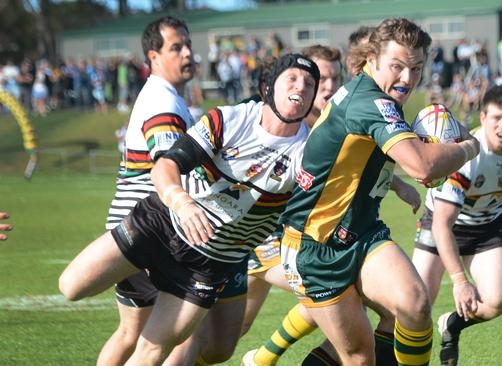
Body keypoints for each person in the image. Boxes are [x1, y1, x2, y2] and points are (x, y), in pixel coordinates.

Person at [59, 53, 320, 365]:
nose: (301, 87)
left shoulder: (309, 152)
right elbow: (165, 165)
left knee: (154, 350)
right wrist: (182, 203)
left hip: (209, 262)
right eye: (292, 78)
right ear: (267, 87)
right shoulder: (229, 119)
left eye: (309, 84)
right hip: (161, 223)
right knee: (71, 286)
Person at [273, 18, 479, 365]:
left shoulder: (378, 95)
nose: (407, 78)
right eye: (397, 66)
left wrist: (401, 180)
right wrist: (469, 147)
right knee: (357, 357)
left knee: (412, 305)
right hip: (315, 247)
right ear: (372, 59)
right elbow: (422, 167)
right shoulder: (371, 102)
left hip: (361, 232)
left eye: (416, 68)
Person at [242, 44, 422, 366]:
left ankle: (262, 359)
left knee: (379, 312)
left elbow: (352, 164)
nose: (326, 86)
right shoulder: (290, 124)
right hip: (271, 238)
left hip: (309, 237)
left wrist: (397, 184)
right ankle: (261, 358)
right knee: (223, 337)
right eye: (319, 79)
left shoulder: (338, 117)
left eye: (333, 78)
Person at [411, 85, 502, 366]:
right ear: (482, 117)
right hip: (441, 224)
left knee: (497, 301)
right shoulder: (467, 158)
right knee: (416, 307)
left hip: (487, 227)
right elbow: (443, 226)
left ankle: (452, 325)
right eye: (496, 118)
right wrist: (459, 282)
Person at [97, 16, 199, 366]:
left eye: (188, 45)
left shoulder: (164, 96)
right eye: (176, 47)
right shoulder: (163, 102)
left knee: (131, 334)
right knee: (179, 335)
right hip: (147, 233)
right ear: (153, 56)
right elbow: (165, 167)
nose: (187, 53)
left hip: (130, 227)